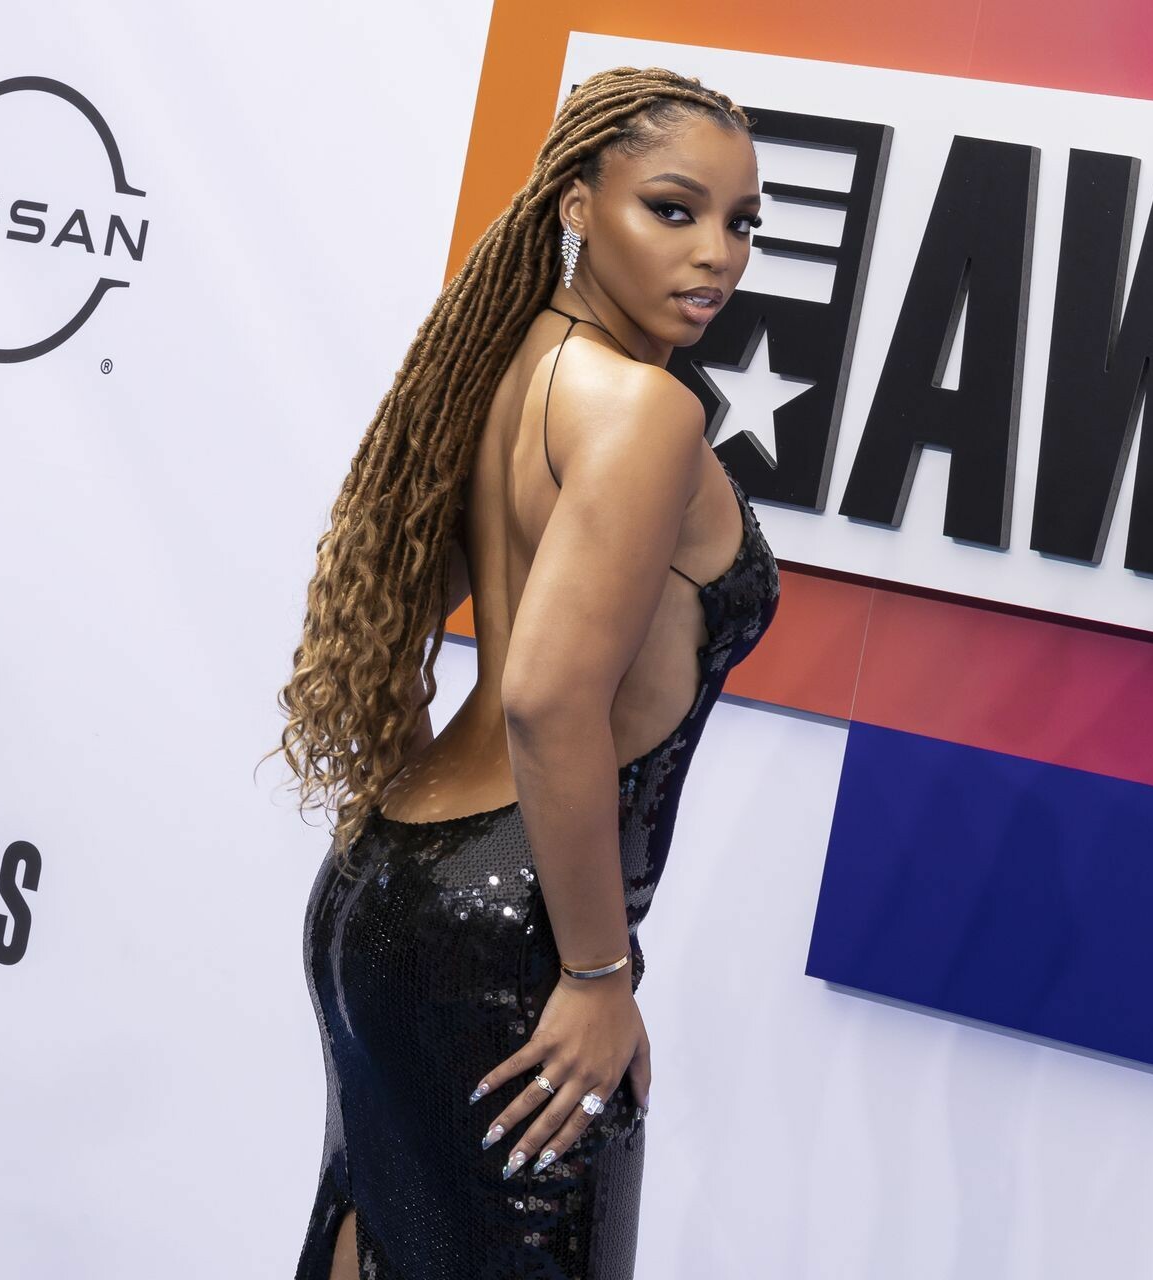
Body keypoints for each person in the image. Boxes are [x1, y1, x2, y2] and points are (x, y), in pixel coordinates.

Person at [272, 65, 781, 1279]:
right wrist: (597, 973)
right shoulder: (645, 412)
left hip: (384, 881)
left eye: (742, 222)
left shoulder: (502, 373)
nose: (716, 253)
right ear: (576, 203)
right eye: (673, 209)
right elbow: (549, 698)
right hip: (514, 930)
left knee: (371, 1237)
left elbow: (401, 597)